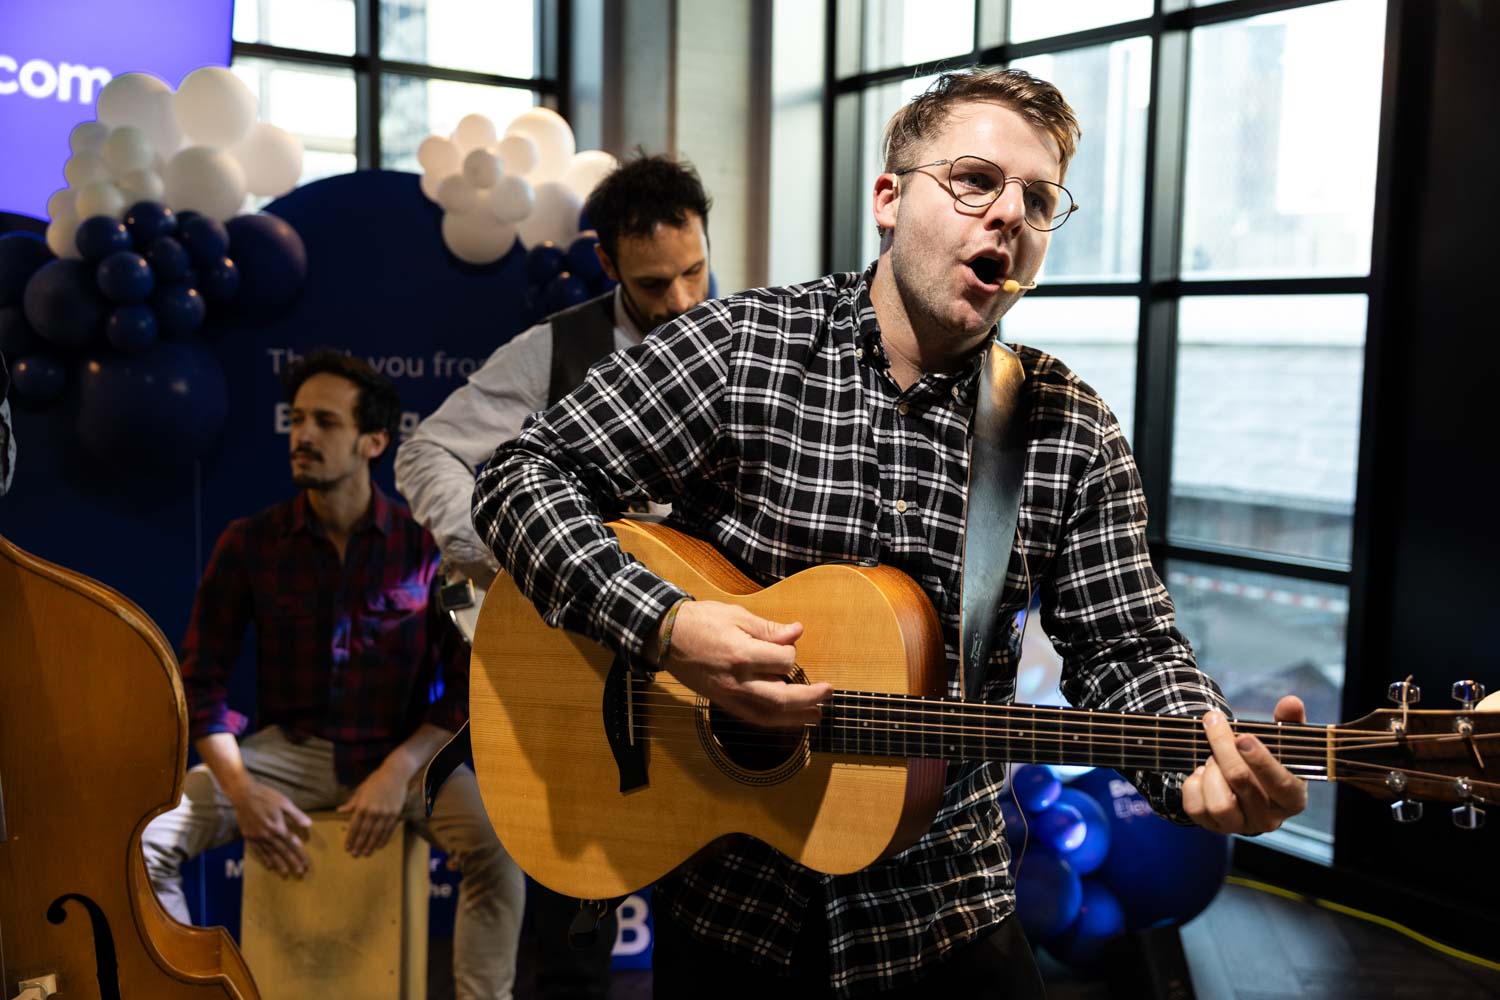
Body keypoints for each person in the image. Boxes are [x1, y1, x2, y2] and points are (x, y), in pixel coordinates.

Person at [470, 69, 1310, 998]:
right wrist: (667, 628)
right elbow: (519, 477)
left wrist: (1199, 763)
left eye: (1039, 200)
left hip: (945, 917)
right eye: (976, 180)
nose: (1008, 215)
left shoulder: (1066, 427)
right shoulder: (746, 346)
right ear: (888, 197)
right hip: (731, 913)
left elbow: (1130, 647)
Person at [394, 154, 712, 1000]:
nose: (681, 301)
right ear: (605, 264)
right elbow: (427, 450)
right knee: (574, 937)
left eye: (694, 272)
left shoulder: (743, 339)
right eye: (653, 284)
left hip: (711, 678)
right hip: (584, 683)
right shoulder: (552, 349)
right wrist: (522, 555)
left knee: (713, 932)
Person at [141, 351, 522, 1000]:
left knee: (499, 847)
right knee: (145, 843)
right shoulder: (249, 543)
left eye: (324, 422)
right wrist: (240, 790)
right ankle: (186, 992)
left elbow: (466, 686)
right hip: (284, 753)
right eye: (297, 420)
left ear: (374, 441)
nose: (302, 436)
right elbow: (201, 680)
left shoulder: (426, 546)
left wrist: (398, 771)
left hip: (401, 756)